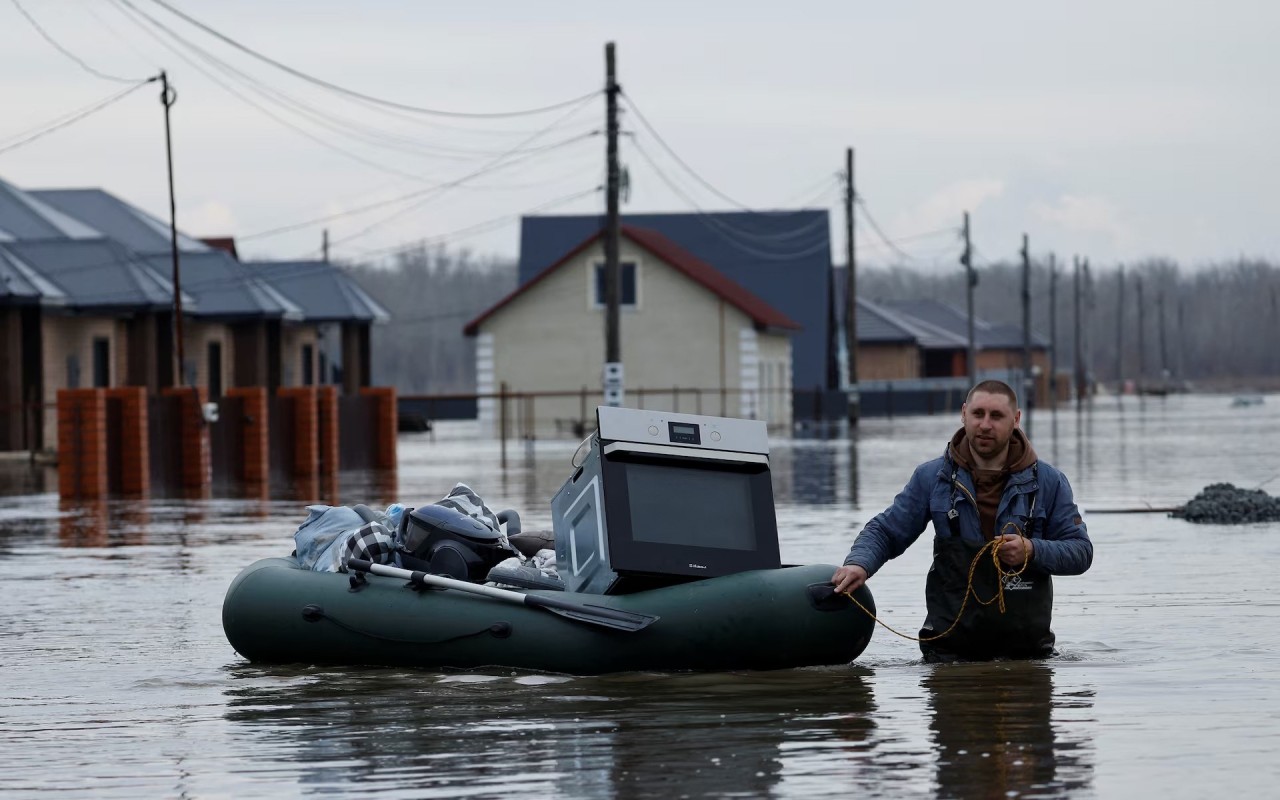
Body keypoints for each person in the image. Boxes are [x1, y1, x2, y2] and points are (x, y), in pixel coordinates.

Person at [832, 380, 1092, 661]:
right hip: (948, 655)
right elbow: (885, 531)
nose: (985, 425)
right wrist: (859, 563)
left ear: (1016, 420)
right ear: (964, 414)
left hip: (1028, 658)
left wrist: (1032, 550)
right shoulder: (931, 478)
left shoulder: (1049, 482)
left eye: (996, 416)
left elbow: (1080, 551)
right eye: (978, 414)